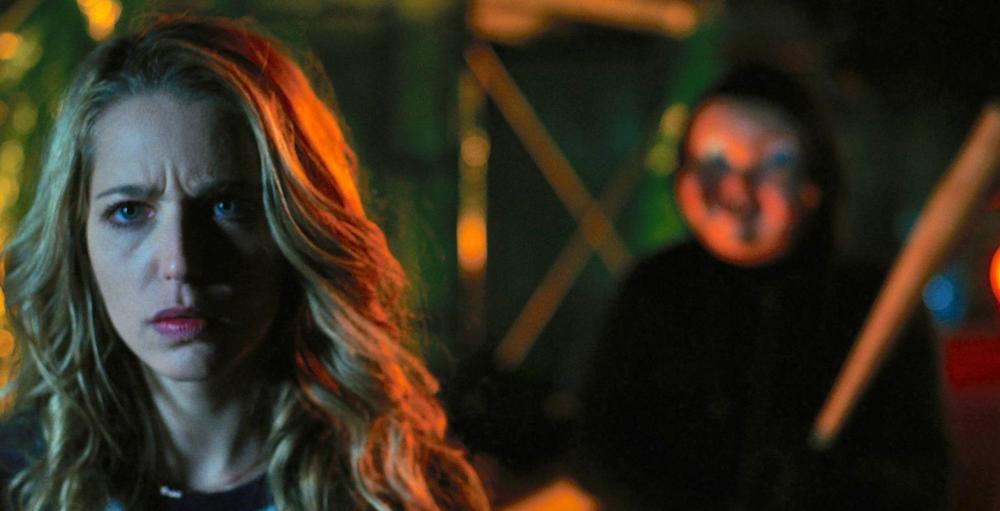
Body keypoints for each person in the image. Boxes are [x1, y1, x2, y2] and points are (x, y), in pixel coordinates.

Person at [0, 15, 489, 511]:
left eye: (226, 205)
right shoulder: (18, 483)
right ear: (77, 240)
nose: (180, 264)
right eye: (129, 212)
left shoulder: (404, 491)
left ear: (298, 228)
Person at [577, 64, 950, 509]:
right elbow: (601, 448)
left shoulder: (870, 304)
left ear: (813, 185)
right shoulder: (654, 290)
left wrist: (833, 487)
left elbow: (921, 476)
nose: (736, 188)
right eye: (714, 161)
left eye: (773, 164)